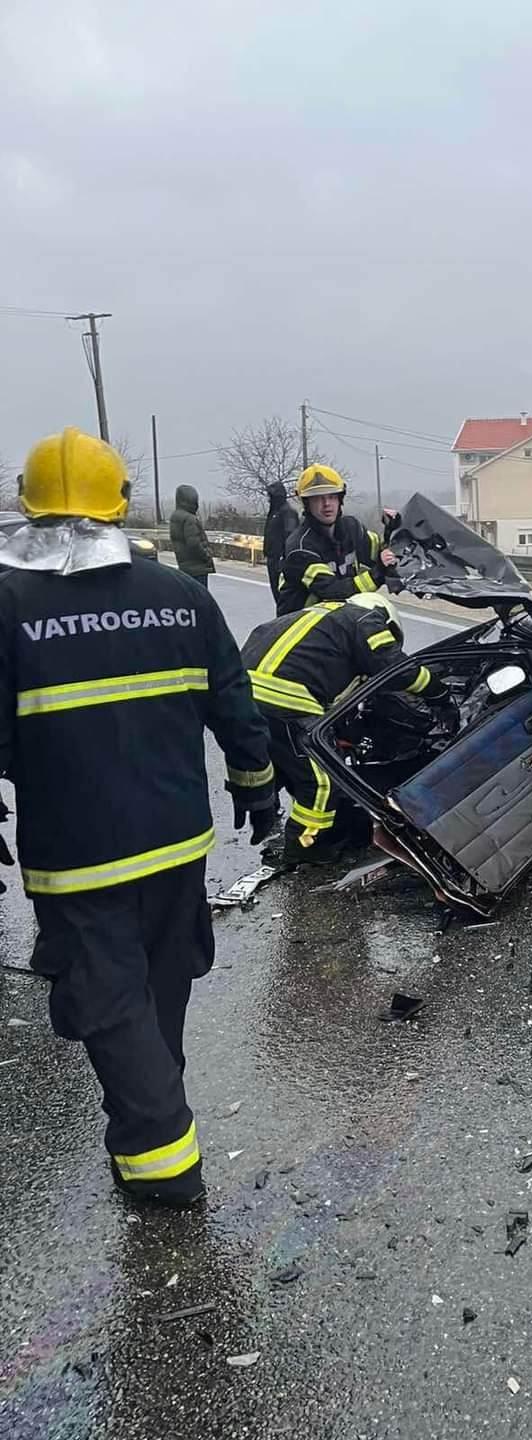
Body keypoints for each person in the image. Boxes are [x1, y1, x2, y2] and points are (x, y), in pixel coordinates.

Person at [0, 428, 276, 1208]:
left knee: (112, 1001)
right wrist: (258, 794)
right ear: (120, 505)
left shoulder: (8, 605)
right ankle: (150, 1122)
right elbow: (236, 709)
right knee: (159, 990)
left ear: (28, 503)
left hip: (78, 857)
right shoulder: (181, 598)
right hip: (176, 842)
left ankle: (163, 1163)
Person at [242, 592, 453, 866]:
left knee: (284, 764)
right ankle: (306, 847)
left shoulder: (320, 615)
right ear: (385, 619)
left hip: (241, 696)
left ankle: (271, 814)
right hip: (284, 697)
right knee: (323, 780)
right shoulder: (366, 618)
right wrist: (439, 694)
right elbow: (397, 667)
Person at [276, 463, 396, 615]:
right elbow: (333, 592)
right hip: (302, 626)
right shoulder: (301, 547)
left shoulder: (352, 528)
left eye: (332, 496)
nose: (327, 504)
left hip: (340, 618)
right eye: (318, 499)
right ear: (306, 503)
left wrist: (392, 530)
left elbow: (380, 552)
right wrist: (378, 573)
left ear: (340, 499)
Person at [169, 484, 215, 587]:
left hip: (185, 565)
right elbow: (194, 543)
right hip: (197, 566)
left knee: (190, 596)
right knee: (201, 597)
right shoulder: (190, 518)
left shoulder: (176, 516)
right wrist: (206, 555)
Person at [263, 481, 298, 593]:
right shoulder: (274, 512)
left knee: (282, 593)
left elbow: (291, 536)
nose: (269, 499)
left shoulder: (288, 513)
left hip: (280, 560)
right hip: (272, 558)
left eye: (271, 496)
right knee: (275, 590)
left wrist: (284, 558)